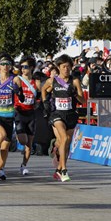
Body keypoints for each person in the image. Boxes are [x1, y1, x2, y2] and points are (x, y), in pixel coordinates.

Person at [41, 54, 86, 183]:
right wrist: (45, 103)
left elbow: (83, 100)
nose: (66, 69)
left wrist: (75, 94)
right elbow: (43, 89)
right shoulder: (53, 81)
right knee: (64, 138)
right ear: (59, 67)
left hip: (71, 114)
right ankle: (64, 169)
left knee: (65, 145)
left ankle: (58, 167)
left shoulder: (75, 81)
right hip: (57, 115)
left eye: (68, 66)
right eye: (63, 66)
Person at [0, 54, 20, 187]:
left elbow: (21, 96)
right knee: (1, 135)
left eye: (8, 64)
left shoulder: (15, 80)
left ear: (11, 66)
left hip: (9, 115)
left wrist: (18, 92)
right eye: (3, 64)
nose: (5, 67)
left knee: (5, 148)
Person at [14, 56, 39, 176]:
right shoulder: (17, 79)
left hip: (31, 114)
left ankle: (24, 165)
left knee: (29, 144)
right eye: (21, 67)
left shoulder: (36, 82)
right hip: (19, 112)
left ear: (32, 68)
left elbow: (40, 96)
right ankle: (16, 134)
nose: (23, 69)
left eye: (26, 67)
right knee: (23, 141)